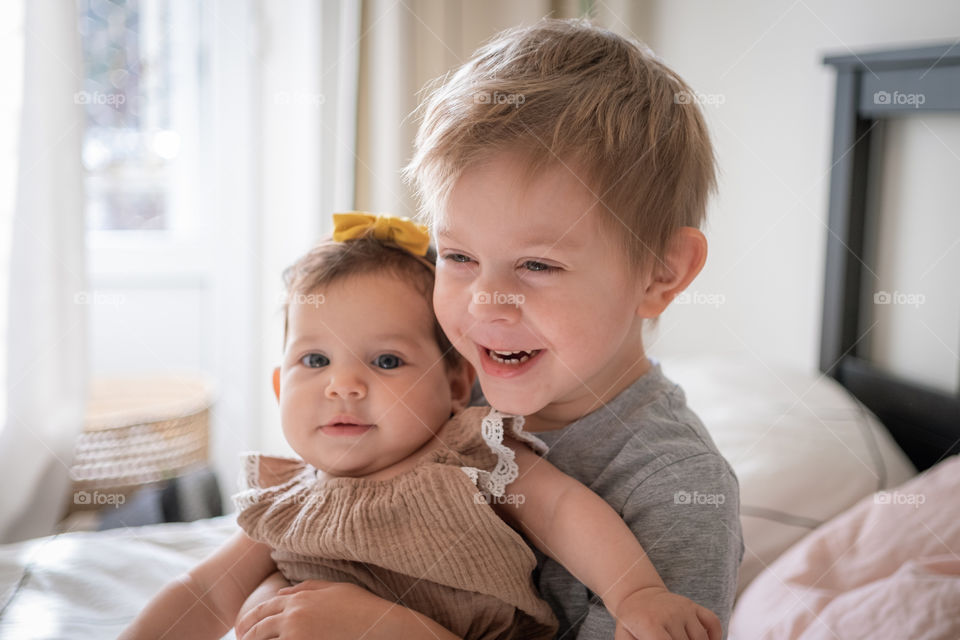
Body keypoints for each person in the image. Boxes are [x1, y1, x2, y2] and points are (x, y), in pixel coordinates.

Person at [234, 18, 744, 639]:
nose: (487, 304)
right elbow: (333, 509)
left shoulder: (678, 490)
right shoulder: (455, 381)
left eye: (538, 264)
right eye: (459, 258)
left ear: (661, 273)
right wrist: (269, 596)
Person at [120, 214, 722, 640]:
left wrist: (636, 594)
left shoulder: (472, 455)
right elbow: (202, 594)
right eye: (314, 361)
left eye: (386, 362)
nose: (343, 385)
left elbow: (565, 513)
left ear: (458, 385)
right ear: (280, 388)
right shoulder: (292, 503)